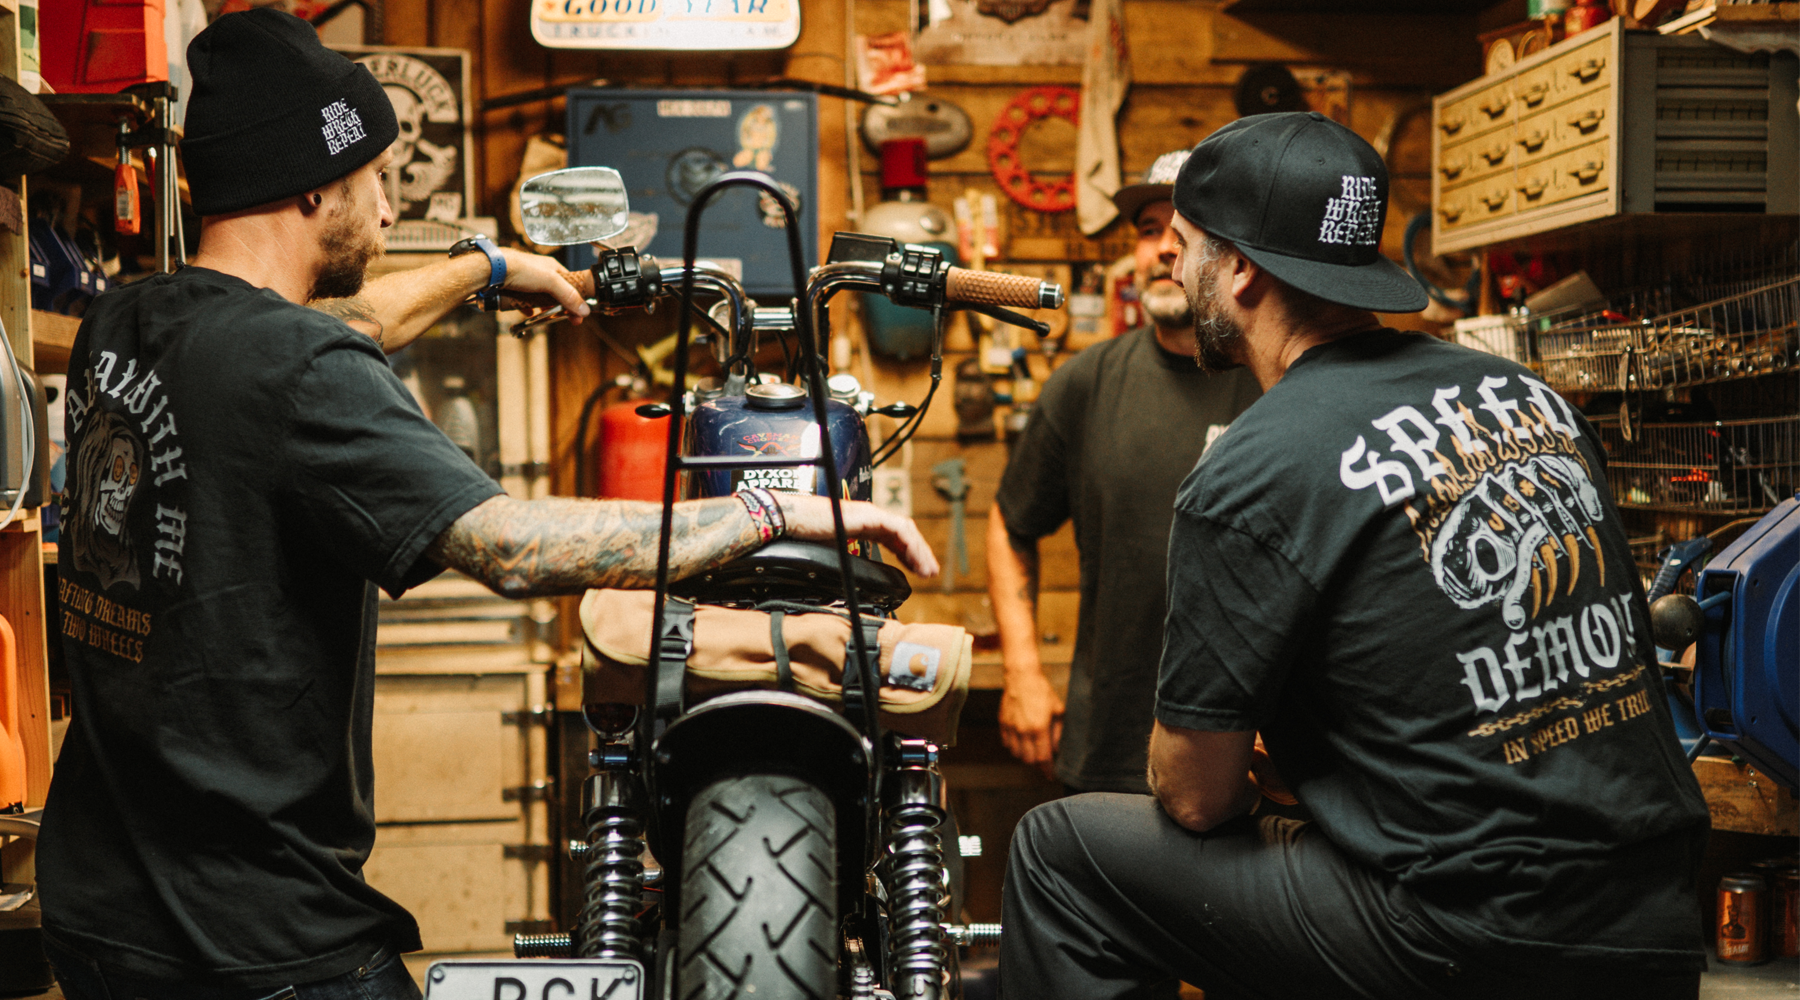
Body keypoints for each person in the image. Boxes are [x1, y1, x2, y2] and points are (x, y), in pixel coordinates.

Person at [37, 11, 936, 1000]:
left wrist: (488, 268)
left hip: (97, 908)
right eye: (375, 179)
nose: (388, 213)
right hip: (255, 939)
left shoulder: (125, 318)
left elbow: (343, 321)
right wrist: (773, 513)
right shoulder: (302, 368)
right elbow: (510, 546)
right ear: (311, 186)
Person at [1000, 112, 1709, 999]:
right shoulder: (1525, 396)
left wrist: (1238, 767)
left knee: (1057, 854)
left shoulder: (1254, 466)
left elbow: (1194, 799)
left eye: (1187, 245)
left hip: (1469, 936)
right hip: (1657, 921)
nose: (1176, 268)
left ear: (1239, 267)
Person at [988, 150, 1260, 791]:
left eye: (1186, 232)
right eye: (1147, 230)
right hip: (1110, 740)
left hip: (1249, 748)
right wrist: (1023, 672)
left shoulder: (1272, 378)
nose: (1162, 250)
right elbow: (1010, 522)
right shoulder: (1085, 382)